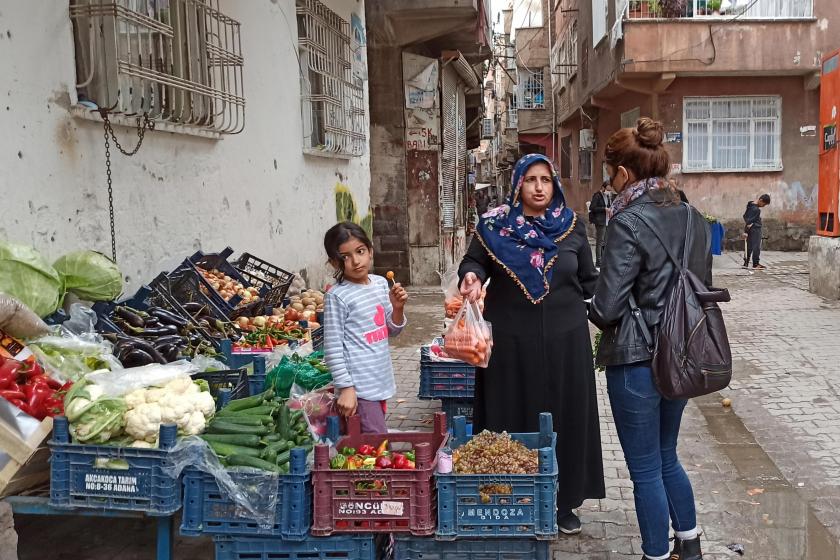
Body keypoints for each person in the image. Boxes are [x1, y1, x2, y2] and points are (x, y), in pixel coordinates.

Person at [458, 153, 605, 535]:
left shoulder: (572, 226)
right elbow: (472, 262)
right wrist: (472, 278)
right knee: (509, 413)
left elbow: (589, 280)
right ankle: (508, 497)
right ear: (518, 184)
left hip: (566, 341)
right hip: (510, 343)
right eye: (531, 180)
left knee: (566, 418)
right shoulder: (493, 227)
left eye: (546, 180)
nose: (539, 187)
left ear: (554, 184)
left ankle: (563, 502)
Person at [589, 118, 711, 560]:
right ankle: (690, 546)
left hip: (637, 360)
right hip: (681, 354)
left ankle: (656, 554)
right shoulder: (695, 217)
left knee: (643, 470)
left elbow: (606, 309)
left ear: (623, 173)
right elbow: (699, 287)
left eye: (609, 172)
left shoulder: (627, 221)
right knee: (666, 457)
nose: (608, 181)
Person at [322, 222, 409, 434]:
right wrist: (346, 388)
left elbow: (392, 330)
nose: (355, 261)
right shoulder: (337, 296)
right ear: (335, 263)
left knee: (371, 444)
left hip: (379, 381)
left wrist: (398, 309)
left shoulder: (380, 284)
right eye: (345, 257)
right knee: (376, 443)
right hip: (359, 389)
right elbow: (332, 348)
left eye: (360, 251)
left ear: (370, 251)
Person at [743, 194, 771, 270]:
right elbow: (750, 221)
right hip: (756, 229)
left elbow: (745, 217)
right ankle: (755, 264)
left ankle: (746, 263)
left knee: (749, 246)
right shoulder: (757, 210)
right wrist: (746, 231)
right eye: (764, 204)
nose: (763, 206)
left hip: (750, 229)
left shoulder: (750, 205)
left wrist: (746, 231)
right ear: (761, 200)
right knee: (756, 247)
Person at [589, 181, 612, 267]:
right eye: (608, 189)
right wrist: (604, 209)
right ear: (603, 187)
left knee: (605, 241)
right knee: (599, 241)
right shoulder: (597, 195)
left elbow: (609, 206)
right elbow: (592, 207)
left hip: (606, 221)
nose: (609, 191)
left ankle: (603, 259)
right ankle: (598, 261)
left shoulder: (608, 196)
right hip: (600, 221)